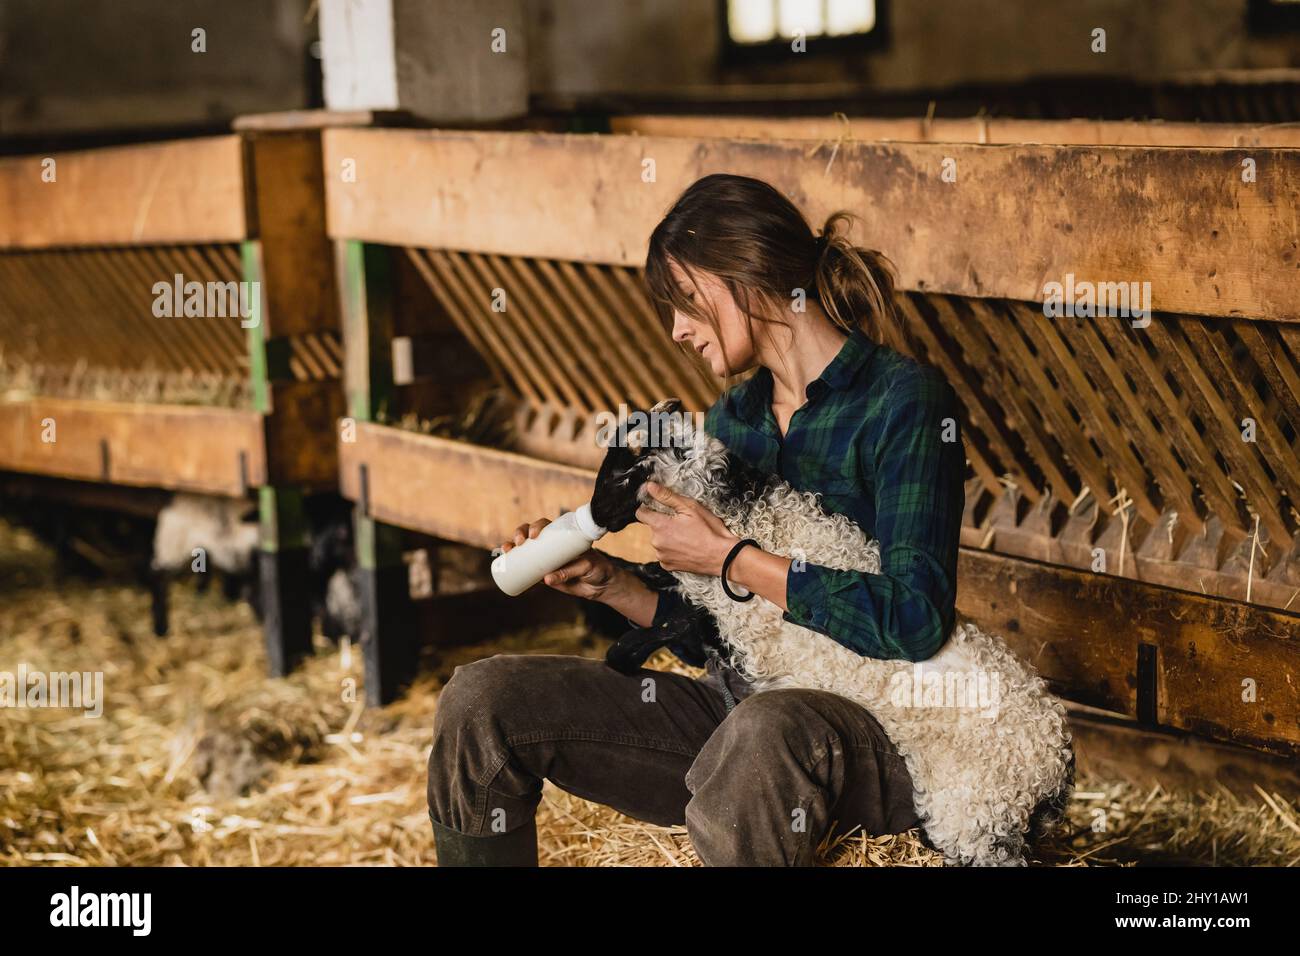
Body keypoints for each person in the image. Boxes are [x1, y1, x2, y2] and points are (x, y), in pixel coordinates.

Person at [426, 173, 967, 866]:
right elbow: (722, 629)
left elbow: (915, 620)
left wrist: (732, 557)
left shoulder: (903, 402)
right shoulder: (732, 422)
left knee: (765, 732)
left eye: (684, 301)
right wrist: (613, 585)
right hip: (739, 712)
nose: (678, 330)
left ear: (745, 270)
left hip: (871, 730)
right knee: (482, 700)